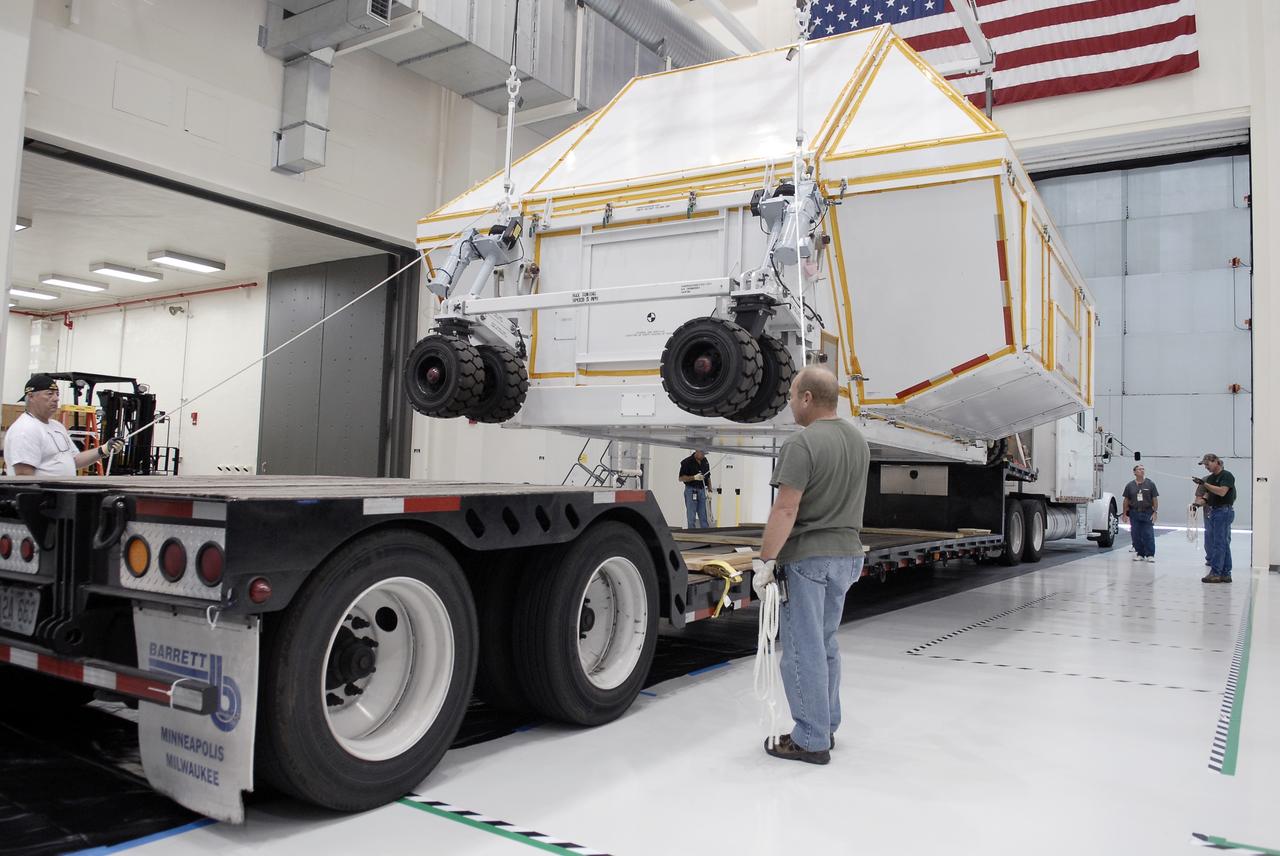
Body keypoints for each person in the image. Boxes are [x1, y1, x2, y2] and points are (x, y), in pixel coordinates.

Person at [751, 366, 868, 765]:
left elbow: (786, 509)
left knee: (803, 650)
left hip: (809, 560)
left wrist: (765, 561)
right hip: (848, 557)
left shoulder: (802, 444)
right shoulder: (858, 440)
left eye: (792, 396)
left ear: (807, 399)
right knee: (826, 644)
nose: (788, 404)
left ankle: (810, 738)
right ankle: (827, 724)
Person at [5, 374, 123, 476]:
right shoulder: (25, 429)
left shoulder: (57, 426)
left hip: (62, 497)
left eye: (57, 394)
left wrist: (104, 449)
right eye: (49, 394)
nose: (56, 399)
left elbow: (75, 460)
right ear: (31, 397)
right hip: (44, 499)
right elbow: (24, 477)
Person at [1195, 453, 1236, 583]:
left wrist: (1204, 484)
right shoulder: (1211, 479)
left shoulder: (1226, 475)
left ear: (1216, 462)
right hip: (1214, 511)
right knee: (1222, 543)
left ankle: (1216, 573)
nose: (1206, 467)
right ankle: (1226, 573)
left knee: (1219, 543)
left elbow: (1222, 491)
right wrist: (1197, 504)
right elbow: (1207, 496)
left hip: (1224, 511)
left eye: (1208, 464)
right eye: (1205, 465)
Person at [1121, 464, 1159, 562]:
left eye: (1143, 469)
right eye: (1139, 469)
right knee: (1136, 534)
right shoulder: (1130, 485)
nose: (1142, 471)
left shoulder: (1150, 484)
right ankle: (1140, 553)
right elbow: (1126, 500)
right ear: (1134, 472)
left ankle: (1150, 554)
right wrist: (1125, 513)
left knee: (1148, 534)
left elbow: (1154, 499)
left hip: (1147, 512)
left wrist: (1155, 512)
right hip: (1134, 513)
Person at [678, 450, 712, 529]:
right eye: (702, 453)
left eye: (704, 454)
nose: (703, 456)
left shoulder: (705, 461)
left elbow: (708, 476)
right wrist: (694, 477)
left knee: (704, 515)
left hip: (702, 490)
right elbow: (681, 478)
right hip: (691, 491)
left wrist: (709, 490)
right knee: (691, 516)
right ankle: (691, 534)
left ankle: (705, 535)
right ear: (697, 451)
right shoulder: (687, 462)